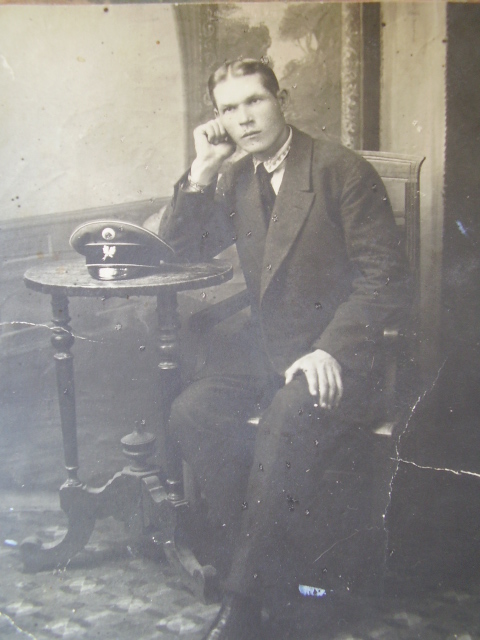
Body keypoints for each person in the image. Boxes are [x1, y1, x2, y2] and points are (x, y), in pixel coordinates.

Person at [159, 58, 411, 640]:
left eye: (255, 101)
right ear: (218, 120)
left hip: (340, 360)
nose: (244, 119)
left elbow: (385, 280)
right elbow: (179, 250)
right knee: (192, 411)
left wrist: (331, 350)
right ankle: (267, 573)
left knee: (284, 419)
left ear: (283, 100)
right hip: (270, 354)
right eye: (229, 109)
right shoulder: (236, 178)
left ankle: (244, 604)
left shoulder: (339, 170)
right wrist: (201, 171)